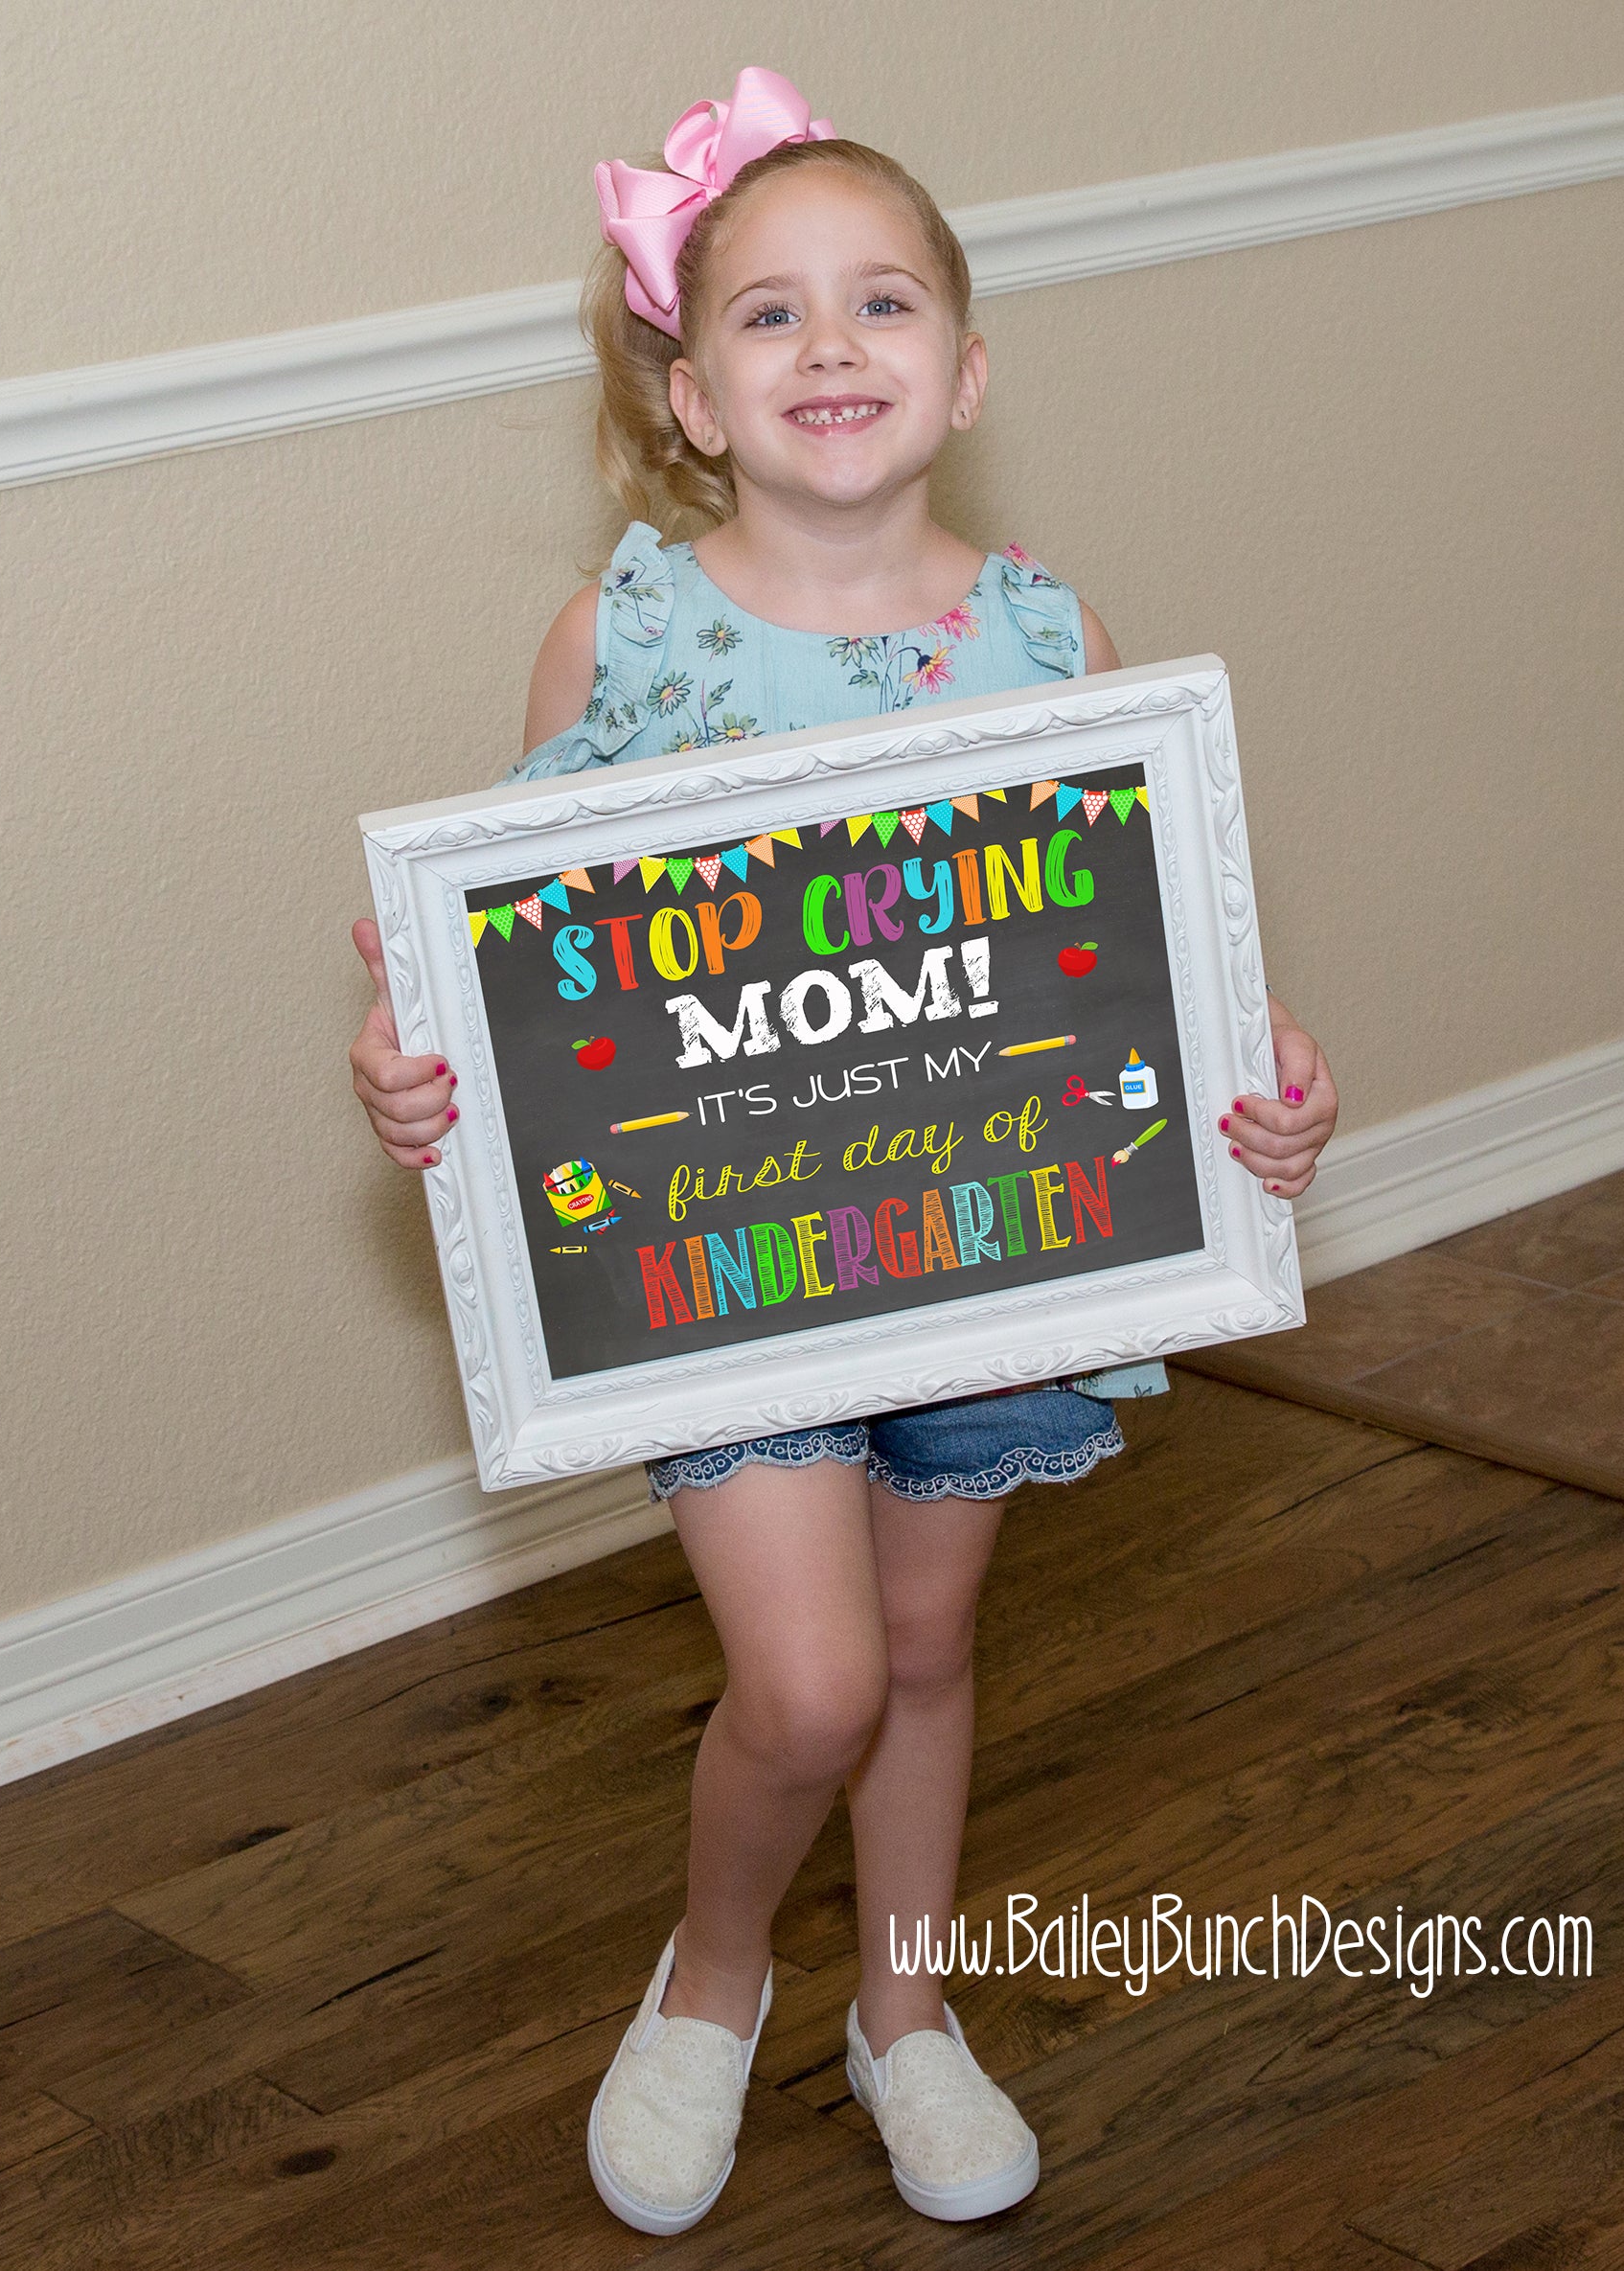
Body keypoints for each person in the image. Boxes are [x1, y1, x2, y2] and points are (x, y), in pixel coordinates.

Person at [349, 67, 1338, 2236]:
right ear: (687, 391)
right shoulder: (624, 639)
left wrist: (1257, 1079)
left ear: (964, 370)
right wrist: (413, 1069)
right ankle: (714, 1976)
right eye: (771, 317)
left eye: (880, 302)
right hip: (731, 1268)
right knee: (802, 1684)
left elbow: (1131, 956)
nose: (830, 349)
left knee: (918, 1654)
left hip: (986, 1252)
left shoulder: (1043, 633)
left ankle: (910, 2006)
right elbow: (518, 981)